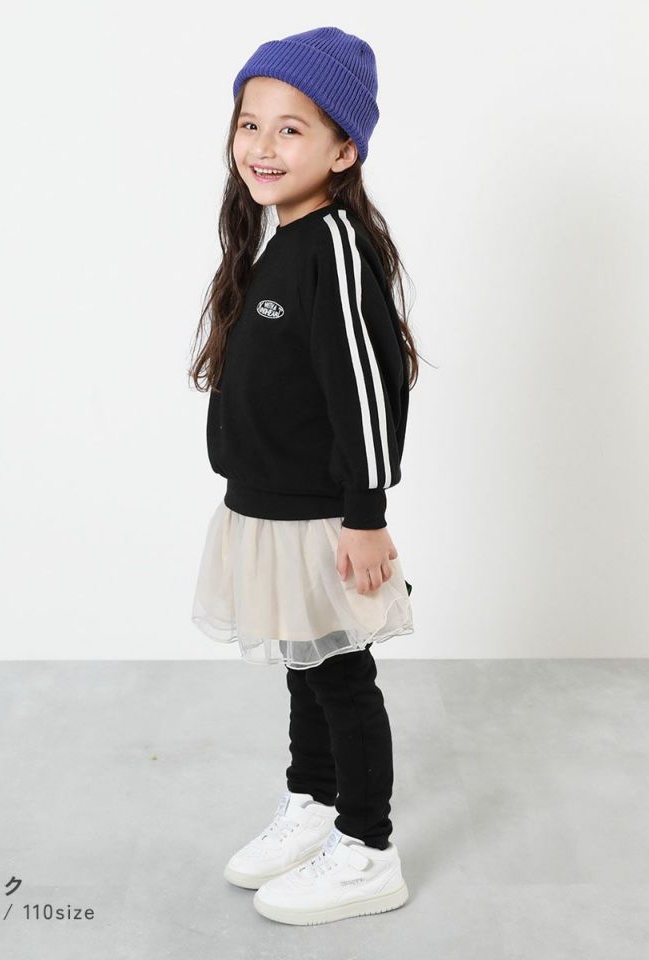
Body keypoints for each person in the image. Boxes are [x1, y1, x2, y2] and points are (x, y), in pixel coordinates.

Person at [188, 26, 423, 926]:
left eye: (292, 129)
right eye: (251, 124)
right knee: (302, 659)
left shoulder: (334, 245)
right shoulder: (280, 239)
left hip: (325, 516)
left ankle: (367, 850)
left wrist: (366, 515)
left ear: (343, 150)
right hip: (268, 510)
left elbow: (367, 386)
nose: (263, 146)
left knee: (339, 677)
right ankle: (316, 803)